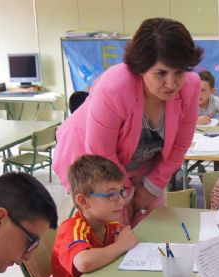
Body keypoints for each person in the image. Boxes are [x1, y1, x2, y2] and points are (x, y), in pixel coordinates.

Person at [53, 18, 203, 226]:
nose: (171, 83)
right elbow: (100, 153)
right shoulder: (115, 87)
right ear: (141, 67)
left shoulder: (191, 86)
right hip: (91, 162)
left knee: (152, 227)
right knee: (111, 231)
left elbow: (179, 145)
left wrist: (151, 187)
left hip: (139, 162)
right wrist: (124, 194)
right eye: (161, 73)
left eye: (179, 72)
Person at [52, 155, 139, 277]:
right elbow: (84, 262)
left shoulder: (110, 222)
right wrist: (120, 246)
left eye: (121, 191)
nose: (122, 201)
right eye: (112, 195)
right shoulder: (72, 229)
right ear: (84, 202)